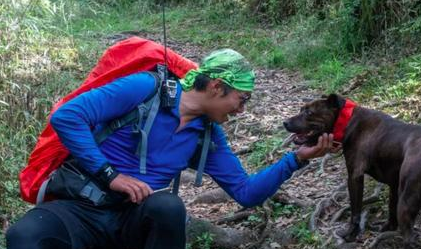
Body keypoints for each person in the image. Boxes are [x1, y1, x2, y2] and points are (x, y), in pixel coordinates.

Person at [6, 48, 336, 249]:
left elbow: (246, 193)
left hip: (133, 217)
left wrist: (297, 159)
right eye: (241, 99)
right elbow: (68, 116)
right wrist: (112, 176)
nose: (241, 110)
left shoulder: (206, 135)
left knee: (168, 206)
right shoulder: (143, 89)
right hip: (81, 207)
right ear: (217, 87)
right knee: (24, 236)